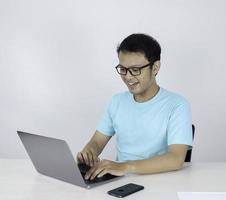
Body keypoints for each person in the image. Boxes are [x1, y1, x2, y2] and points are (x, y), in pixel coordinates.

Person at [77, 33, 192, 180]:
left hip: (161, 182)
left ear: (155, 67)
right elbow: (97, 141)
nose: (128, 77)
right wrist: (88, 153)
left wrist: (124, 166)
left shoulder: (177, 105)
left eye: (135, 70)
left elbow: (175, 159)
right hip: (121, 182)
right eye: (123, 69)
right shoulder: (116, 101)